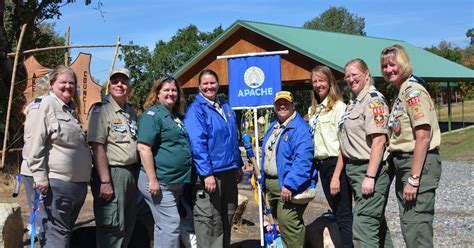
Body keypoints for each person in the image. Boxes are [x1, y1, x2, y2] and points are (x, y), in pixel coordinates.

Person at [380, 44, 441, 247]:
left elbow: (423, 136)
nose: (389, 70)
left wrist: (414, 179)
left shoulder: (413, 92)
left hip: (417, 164)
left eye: (392, 64)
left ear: (403, 64)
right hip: (405, 164)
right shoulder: (401, 93)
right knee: (410, 225)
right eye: (384, 66)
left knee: (417, 228)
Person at [26, 65, 92, 247]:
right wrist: (40, 177)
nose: (68, 86)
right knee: (56, 236)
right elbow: (34, 142)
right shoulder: (46, 104)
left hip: (74, 186)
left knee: (62, 236)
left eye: (72, 83)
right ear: (52, 83)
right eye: (63, 82)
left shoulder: (70, 110)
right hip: (55, 185)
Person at [184, 69, 243, 248]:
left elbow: (233, 138)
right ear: (199, 86)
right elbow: (198, 144)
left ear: (218, 84)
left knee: (227, 216)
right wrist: (207, 173)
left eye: (212, 82)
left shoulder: (225, 106)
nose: (209, 86)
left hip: (229, 171)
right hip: (211, 174)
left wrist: (238, 164)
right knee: (210, 220)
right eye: (205, 83)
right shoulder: (196, 110)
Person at [339, 59, 393, 247]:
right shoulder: (355, 102)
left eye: (355, 75)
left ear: (367, 74)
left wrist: (370, 176)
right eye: (347, 76)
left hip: (370, 170)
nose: (350, 79)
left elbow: (379, 140)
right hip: (356, 170)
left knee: (363, 228)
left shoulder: (372, 100)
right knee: (376, 224)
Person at [137, 76, 193, 248]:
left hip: (174, 182)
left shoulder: (175, 116)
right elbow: (143, 148)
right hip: (158, 182)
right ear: (157, 93)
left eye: (174, 90)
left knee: (163, 226)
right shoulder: (152, 115)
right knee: (171, 224)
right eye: (166, 90)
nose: (171, 93)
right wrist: (153, 180)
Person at [87, 67, 139, 248]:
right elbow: (97, 146)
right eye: (115, 81)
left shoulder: (130, 112)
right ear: (109, 85)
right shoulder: (101, 110)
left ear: (129, 86)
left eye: (124, 81)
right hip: (112, 174)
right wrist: (105, 181)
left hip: (130, 174)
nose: (119, 85)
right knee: (112, 228)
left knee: (127, 226)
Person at [261, 91, 315, 247]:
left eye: (286, 103)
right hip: (272, 185)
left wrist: (291, 183)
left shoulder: (299, 128)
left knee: (289, 224)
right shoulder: (274, 126)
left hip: (287, 185)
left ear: (293, 105)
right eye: (279, 103)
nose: (282, 106)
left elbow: (303, 160)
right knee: (277, 225)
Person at [307, 65, 353, 247]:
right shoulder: (314, 111)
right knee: (336, 212)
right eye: (315, 81)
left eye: (322, 80)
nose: (318, 85)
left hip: (336, 166)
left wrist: (336, 177)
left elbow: (343, 144)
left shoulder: (339, 108)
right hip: (322, 166)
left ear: (330, 82)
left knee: (343, 216)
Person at [20, 92, 49, 245]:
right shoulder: (41, 106)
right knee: (41, 214)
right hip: (35, 170)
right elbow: (34, 143)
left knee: (40, 213)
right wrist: (38, 173)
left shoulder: (37, 106)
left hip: (36, 169)